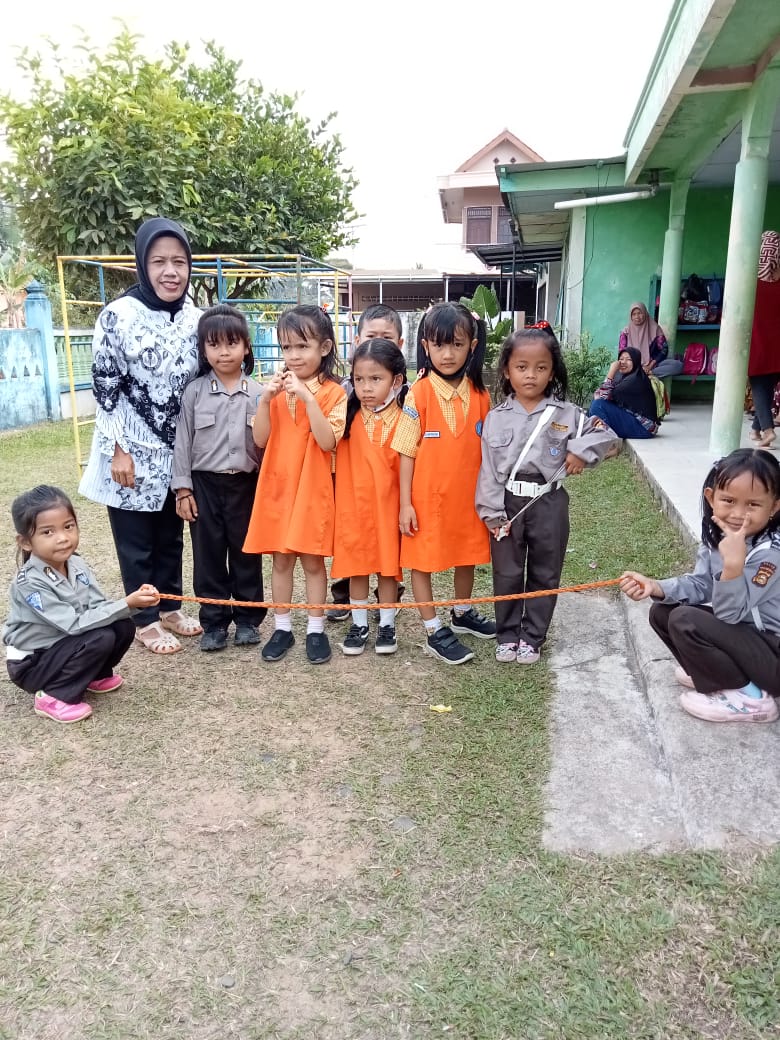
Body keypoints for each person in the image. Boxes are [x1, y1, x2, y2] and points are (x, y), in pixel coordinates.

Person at [79, 216, 203, 655]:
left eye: (179, 261)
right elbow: (106, 387)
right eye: (159, 262)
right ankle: (146, 618)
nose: (170, 271)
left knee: (171, 535)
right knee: (136, 540)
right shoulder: (117, 316)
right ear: (142, 265)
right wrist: (118, 450)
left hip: (177, 452)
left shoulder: (197, 319)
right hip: (129, 448)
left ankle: (170, 606)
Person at [476, 323, 619, 664]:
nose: (531, 376)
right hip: (508, 504)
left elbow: (608, 437)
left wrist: (580, 450)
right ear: (507, 372)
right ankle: (508, 634)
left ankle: (532, 637)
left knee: (545, 570)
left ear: (552, 371)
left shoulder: (568, 414)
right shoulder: (496, 418)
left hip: (549, 502)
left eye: (541, 368)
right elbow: (489, 471)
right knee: (507, 572)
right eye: (521, 367)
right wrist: (492, 513)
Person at [620, 449, 780, 724]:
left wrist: (732, 568)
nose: (738, 513)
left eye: (753, 505)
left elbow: (731, 614)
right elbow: (702, 584)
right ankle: (717, 675)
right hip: (751, 640)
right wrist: (656, 586)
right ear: (711, 497)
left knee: (686, 620)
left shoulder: (771, 555)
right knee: (664, 611)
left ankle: (751, 698)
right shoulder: (719, 538)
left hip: (773, 654)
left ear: (774, 507)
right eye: (728, 500)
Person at [392, 302, 496, 665]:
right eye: (439, 345)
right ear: (425, 347)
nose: (448, 354)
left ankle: (462, 612)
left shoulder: (482, 394)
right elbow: (406, 452)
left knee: (467, 553)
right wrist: (405, 503)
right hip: (426, 500)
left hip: (470, 499)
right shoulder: (417, 394)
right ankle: (434, 627)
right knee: (422, 561)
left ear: (472, 345)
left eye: (456, 344)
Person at [2, 486, 160, 724]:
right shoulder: (30, 583)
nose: (63, 537)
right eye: (48, 532)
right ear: (25, 542)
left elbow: (98, 605)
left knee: (122, 626)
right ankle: (53, 695)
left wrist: (133, 604)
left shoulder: (76, 564)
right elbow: (74, 625)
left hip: (61, 647)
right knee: (100, 638)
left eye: (68, 526)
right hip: (32, 663)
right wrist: (125, 603)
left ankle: (93, 675)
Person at [244, 305, 347, 665]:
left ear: (325, 347)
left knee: (315, 563)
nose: (294, 355)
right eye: (287, 347)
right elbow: (260, 439)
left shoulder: (335, 393)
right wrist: (263, 399)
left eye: (302, 346)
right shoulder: (274, 390)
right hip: (277, 487)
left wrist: (306, 396)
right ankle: (283, 627)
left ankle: (316, 629)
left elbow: (327, 441)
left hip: (313, 490)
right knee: (281, 561)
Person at [171, 304, 266, 651]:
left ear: (246, 347)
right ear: (203, 349)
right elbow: (182, 441)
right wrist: (183, 490)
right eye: (214, 344)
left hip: (245, 486)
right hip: (204, 486)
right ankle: (213, 623)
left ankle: (247, 619)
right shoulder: (194, 393)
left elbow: (267, 447)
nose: (223, 352)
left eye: (231, 343)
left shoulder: (259, 394)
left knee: (246, 553)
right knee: (208, 555)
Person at [327, 303, 406, 622]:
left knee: (389, 561)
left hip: (388, 502)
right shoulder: (345, 402)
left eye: (387, 336)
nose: (367, 386)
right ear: (357, 339)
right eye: (371, 335)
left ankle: (387, 614)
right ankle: (348, 604)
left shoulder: (406, 405)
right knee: (355, 559)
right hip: (354, 502)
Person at [748, 230, 780, 449]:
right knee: (768, 385)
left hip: (758, 343)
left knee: (759, 385)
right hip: (777, 345)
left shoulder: (750, 283)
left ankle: (768, 431)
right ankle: (756, 430)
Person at [589, 347, 660, 439]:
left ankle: (604, 440)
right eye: (621, 359)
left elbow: (602, 397)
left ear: (636, 361)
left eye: (628, 359)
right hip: (636, 422)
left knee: (598, 405)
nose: (623, 362)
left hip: (643, 428)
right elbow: (599, 394)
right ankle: (598, 436)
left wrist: (611, 371)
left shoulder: (634, 380)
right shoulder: (624, 377)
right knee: (594, 409)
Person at [619, 301, 682, 377]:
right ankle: (639, 373)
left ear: (645, 313)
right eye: (634, 314)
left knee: (678, 365)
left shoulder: (655, 329)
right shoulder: (625, 333)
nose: (637, 317)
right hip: (632, 367)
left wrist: (650, 366)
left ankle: (649, 373)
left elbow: (664, 350)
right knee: (618, 371)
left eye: (639, 313)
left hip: (652, 366)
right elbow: (622, 355)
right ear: (630, 316)